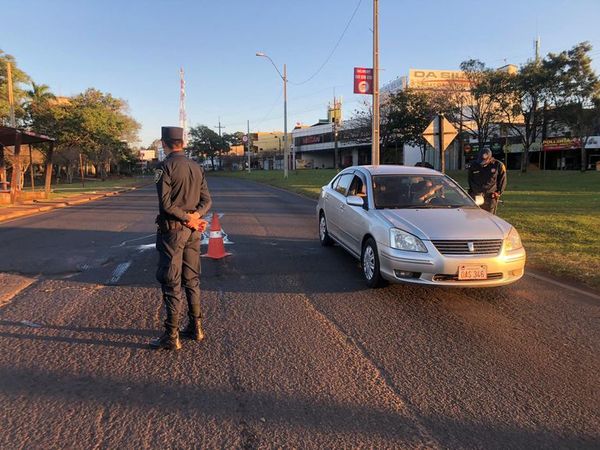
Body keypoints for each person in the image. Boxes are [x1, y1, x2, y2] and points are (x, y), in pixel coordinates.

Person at [150, 126, 212, 351]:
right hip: (193, 233)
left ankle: (171, 335)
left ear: (164, 143)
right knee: (191, 279)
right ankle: (197, 328)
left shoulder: (163, 167)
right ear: (183, 143)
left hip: (173, 233)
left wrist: (187, 218)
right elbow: (207, 201)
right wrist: (195, 218)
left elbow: (165, 204)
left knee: (171, 281)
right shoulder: (197, 167)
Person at [468, 148, 507, 214]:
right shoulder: (474, 165)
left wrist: (498, 192)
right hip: (476, 195)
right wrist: (472, 191)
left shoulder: (498, 165)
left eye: (484, 161)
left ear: (490, 158)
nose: (482, 163)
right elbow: (470, 179)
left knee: (488, 217)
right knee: (475, 216)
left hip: (490, 196)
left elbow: (502, 181)